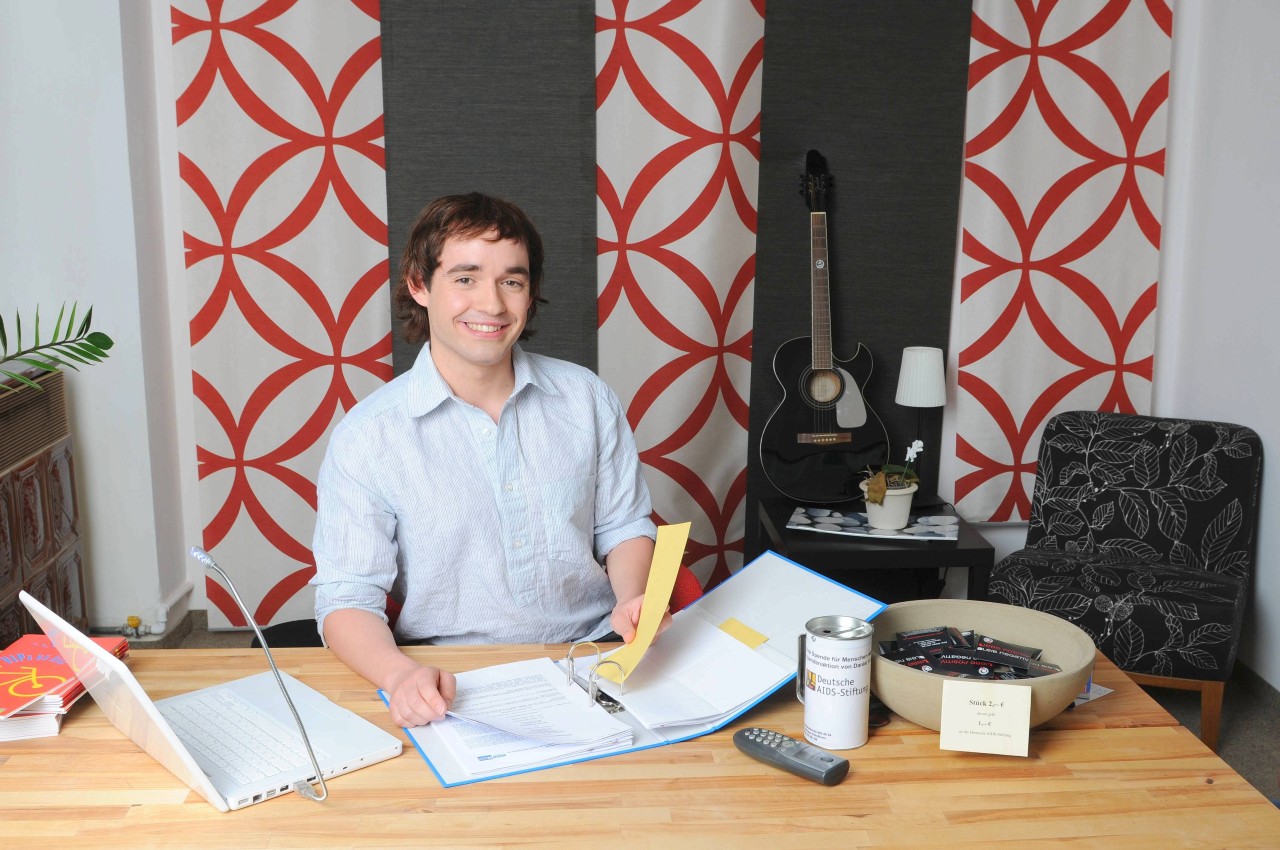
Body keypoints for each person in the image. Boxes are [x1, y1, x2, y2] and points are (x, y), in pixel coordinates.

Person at [311, 192, 665, 729]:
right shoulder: (368, 436)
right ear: (418, 285)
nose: (493, 305)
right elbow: (346, 596)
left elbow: (623, 525)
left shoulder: (586, 398)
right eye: (465, 278)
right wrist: (397, 674)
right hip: (447, 676)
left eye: (512, 281)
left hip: (593, 657)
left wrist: (634, 598)